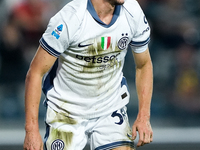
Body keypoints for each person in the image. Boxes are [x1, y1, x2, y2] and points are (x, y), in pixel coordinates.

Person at [23, 0, 153, 149]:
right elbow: (35, 72)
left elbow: (144, 65)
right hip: (66, 112)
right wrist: (31, 130)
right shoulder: (69, 19)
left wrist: (144, 116)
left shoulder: (132, 11)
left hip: (110, 108)